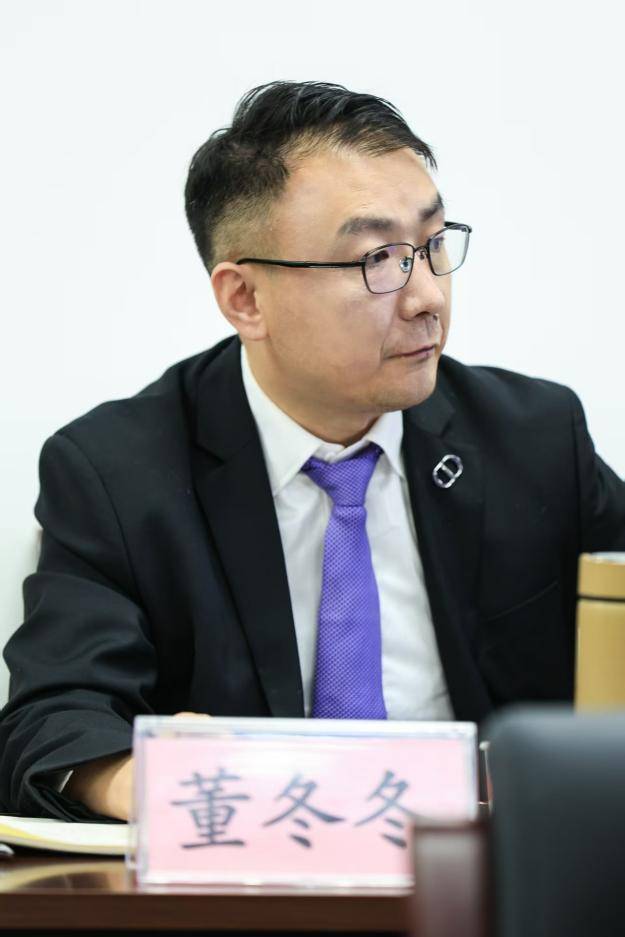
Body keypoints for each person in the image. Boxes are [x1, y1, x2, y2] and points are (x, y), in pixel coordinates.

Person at [1, 81, 624, 823]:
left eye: (432, 245)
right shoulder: (118, 473)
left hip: (491, 870)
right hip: (256, 867)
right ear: (244, 298)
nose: (427, 295)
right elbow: (53, 716)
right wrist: (145, 778)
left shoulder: (532, 439)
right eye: (378, 258)